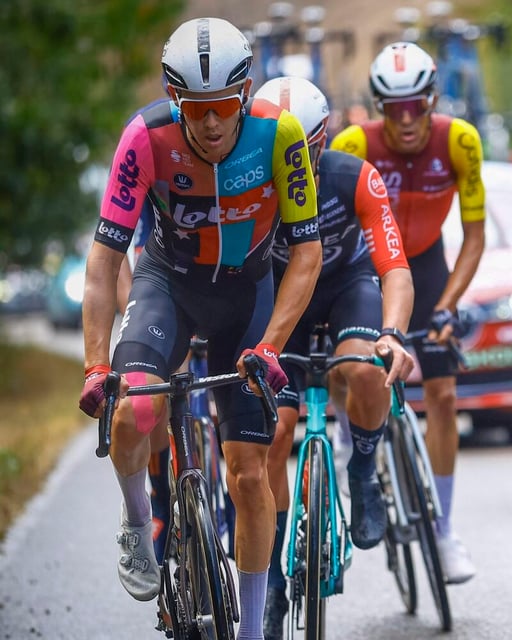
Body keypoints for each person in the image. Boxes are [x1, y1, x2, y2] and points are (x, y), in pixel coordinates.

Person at [77, 17, 321, 640]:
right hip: (170, 285)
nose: (211, 124)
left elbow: (307, 253)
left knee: (250, 472)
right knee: (134, 410)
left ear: (244, 94)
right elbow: (104, 261)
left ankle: (252, 629)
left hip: (247, 293)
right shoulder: (145, 137)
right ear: (174, 97)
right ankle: (139, 521)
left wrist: (271, 347)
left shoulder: (280, 135)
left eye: (223, 107)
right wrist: (96, 364)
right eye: (195, 107)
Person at [253, 76, 416, 638]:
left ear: (323, 143)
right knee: (274, 434)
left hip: (348, 285)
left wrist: (392, 334)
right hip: (283, 298)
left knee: (364, 368)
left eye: (302, 149)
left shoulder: (355, 177)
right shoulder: (245, 183)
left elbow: (394, 267)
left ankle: (363, 470)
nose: (288, 162)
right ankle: (272, 580)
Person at [330, 41, 486, 583]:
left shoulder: (460, 140)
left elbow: (474, 237)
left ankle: (443, 531)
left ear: (432, 100)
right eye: (393, 108)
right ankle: (351, 438)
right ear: (379, 107)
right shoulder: (354, 143)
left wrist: (446, 307)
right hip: (367, 267)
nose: (405, 120)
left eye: (415, 105)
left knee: (442, 394)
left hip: (427, 265)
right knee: (348, 365)